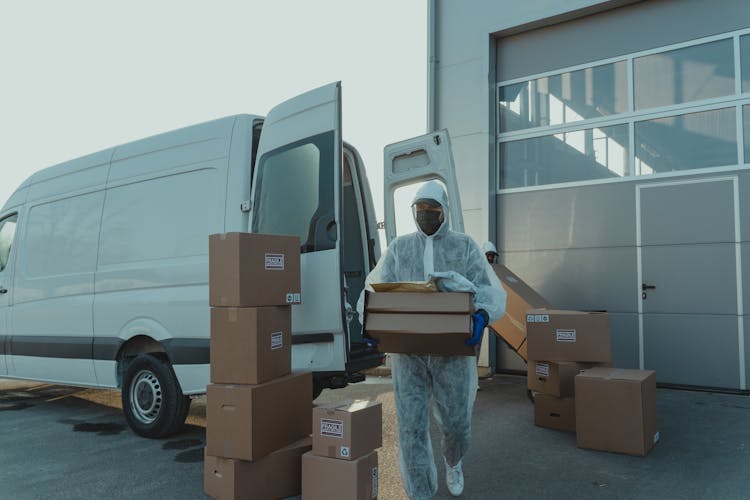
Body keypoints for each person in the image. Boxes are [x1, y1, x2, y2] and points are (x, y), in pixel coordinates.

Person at [359, 180, 506, 499]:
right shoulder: (400, 247)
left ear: (445, 212)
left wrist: (482, 315)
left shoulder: (464, 246)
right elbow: (375, 286)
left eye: (432, 210)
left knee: (456, 425)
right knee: (410, 428)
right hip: (408, 353)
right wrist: (369, 322)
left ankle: (453, 460)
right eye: (420, 209)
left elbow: (490, 289)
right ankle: (420, 492)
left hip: (451, 353)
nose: (425, 215)